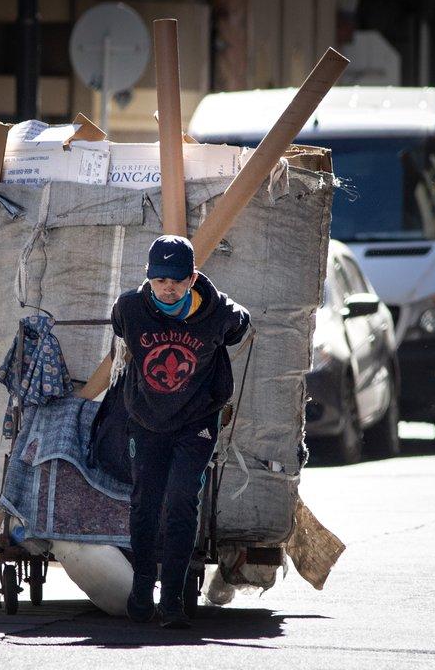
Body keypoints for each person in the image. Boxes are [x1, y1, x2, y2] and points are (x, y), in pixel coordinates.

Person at [111, 234, 251, 628]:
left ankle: (172, 598)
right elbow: (121, 332)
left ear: (191, 278)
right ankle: (142, 587)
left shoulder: (219, 312)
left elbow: (241, 324)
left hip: (195, 422)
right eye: (159, 280)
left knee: (181, 499)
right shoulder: (130, 308)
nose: (167, 288)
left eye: (175, 280)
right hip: (146, 419)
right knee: (145, 502)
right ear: (148, 278)